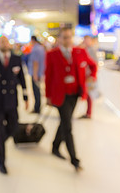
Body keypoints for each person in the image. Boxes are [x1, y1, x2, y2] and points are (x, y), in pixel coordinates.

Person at [45, 28, 97, 172]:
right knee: (68, 126)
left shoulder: (80, 52)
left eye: (69, 37)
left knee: (64, 121)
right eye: (64, 37)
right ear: (60, 39)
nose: (67, 40)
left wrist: (91, 76)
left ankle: (55, 146)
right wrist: (48, 96)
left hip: (74, 94)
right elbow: (48, 76)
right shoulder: (52, 54)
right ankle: (74, 160)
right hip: (60, 95)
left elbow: (92, 65)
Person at [0, 36, 29, 175]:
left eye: (6, 41)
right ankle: (1, 162)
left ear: (9, 44)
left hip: (12, 100)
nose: (4, 44)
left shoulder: (16, 59)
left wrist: (26, 97)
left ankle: (1, 141)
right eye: (1, 42)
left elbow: (22, 79)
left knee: (14, 126)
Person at [79, 36, 99, 119]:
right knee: (87, 94)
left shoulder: (91, 50)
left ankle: (89, 113)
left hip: (89, 76)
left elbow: (94, 63)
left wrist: (92, 76)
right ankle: (88, 113)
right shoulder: (85, 49)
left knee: (89, 94)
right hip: (86, 75)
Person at [27, 36, 46, 114]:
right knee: (37, 91)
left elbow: (35, 62)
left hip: (36, 73)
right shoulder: (41, 48)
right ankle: (38, 106)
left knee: (36, 91)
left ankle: (37, 108)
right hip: (40, 73)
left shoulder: (35, 49)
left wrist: (35, 74)